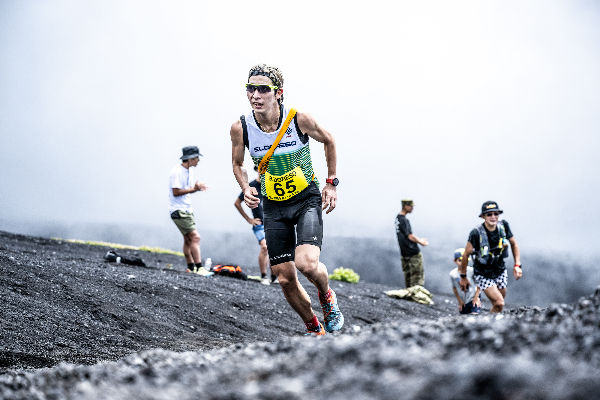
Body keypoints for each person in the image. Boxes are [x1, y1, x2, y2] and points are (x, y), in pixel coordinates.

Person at [230, 64, 343, 336]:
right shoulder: (240, 127)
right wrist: (245, 187)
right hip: (274, 206)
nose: (255, 95)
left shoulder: (298, 119)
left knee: (306, 264)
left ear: (278, 93)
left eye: (262, 89)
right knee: (283, 277)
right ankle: (314, 328)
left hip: (306, 200)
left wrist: (331, 183)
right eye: (250, 88)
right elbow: (237, 163)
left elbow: (328, 140)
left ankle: (326, 296)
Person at [459, 201, 522, 313]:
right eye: (489, 214)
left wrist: (517, 265)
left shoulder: (503, 226)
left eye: (496, 214)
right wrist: (463, 276)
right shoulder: (476, 233)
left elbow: (514, 243)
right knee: (499, 303)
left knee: (499, 305)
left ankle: (489, 325)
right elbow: (466, 254)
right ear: (483, 216)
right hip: (483, 274)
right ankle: (487, 326)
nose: (493, 217)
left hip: (500, 270)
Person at [168, 146, 213, 276]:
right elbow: (176, 192)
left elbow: (186, 190)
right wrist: (195, 189)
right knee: (195, 237)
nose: (198, 160)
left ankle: (191, 267)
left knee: (188, 240)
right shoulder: (177, 171)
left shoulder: (189, 171)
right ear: (190, 159)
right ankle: (199, 268)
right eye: (196, 158)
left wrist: (196, 188)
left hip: (186, 209)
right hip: (178, 210)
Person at [234, 165, 277, 285]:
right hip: (260, 224)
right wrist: (249, 219)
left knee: (273, 249)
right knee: (265, 247)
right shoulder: (251, 186)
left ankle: (274, 277)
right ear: (257, 169)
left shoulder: (273, 184)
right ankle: (264, 276)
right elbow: (237, 203)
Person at [395, 199, 429, 288]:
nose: (412, 208)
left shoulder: (397, 218)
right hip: (412, 253)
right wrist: (421, 241)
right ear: (406, 206)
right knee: (417, 279)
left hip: (404, 253)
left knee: (408, 278)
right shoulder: (404, 220)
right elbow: (410, 236)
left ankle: (409, 295)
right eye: (411, 206)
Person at [450, 248, 481, 314]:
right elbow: (454, 287)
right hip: (464, 299)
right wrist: (459, 301)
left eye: (465, 260)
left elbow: (479, 284)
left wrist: (476, 297)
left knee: (474, 314)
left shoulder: (472, 271)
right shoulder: (453, 274)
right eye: (460, 260)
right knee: (464, 316)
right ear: (455, 261)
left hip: (473, 297)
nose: (463, 263)